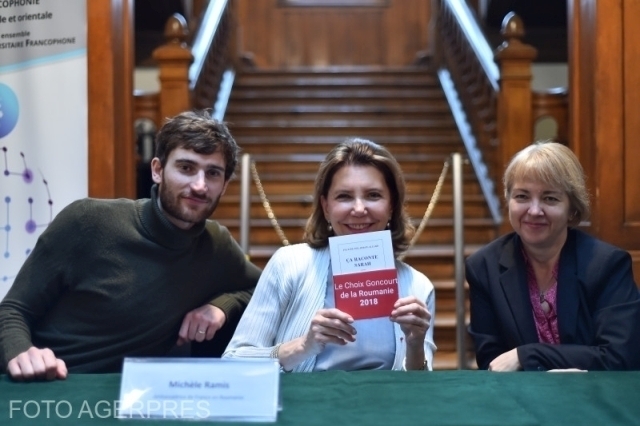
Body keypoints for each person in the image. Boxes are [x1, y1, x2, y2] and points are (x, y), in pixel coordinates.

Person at [0, 110, 261, 380]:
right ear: (157, 170)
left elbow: (262, 288)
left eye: (213, 173)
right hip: (49, 384)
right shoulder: (87, 221)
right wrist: (21, 352)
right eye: (186, 168)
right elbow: (13, 310)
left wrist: (221, 306)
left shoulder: (215, 245)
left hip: (131, 398)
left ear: (225, 185)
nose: (199, 185)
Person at [223, 138, 436, 371]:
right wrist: (302, 346)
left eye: (373, 195)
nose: (358, 209)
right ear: (326, 207)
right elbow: (234, 359)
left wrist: (415, 345)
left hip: (382, 407)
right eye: (344, 196)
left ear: (392, 206)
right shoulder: (288, 264)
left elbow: (419, 390)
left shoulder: (418, 285)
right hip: (303, 405)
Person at [465, 141, 640, 371]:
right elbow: (493, 362)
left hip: (592, 399)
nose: (534, 210)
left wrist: (527, 355)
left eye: (550, 198)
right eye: (522, 196)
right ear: (508, 201)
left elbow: (620, 357)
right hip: (518, 401)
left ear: (572, 209)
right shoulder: (483, 267)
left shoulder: (607, 264)